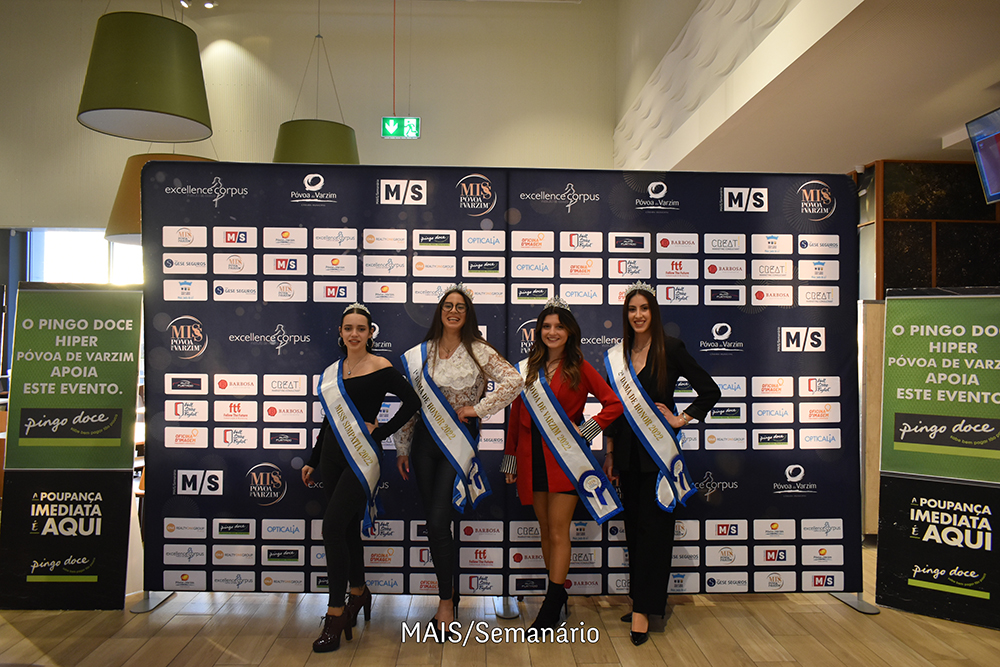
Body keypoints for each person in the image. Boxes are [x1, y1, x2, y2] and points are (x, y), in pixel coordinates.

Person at [396, 284, 523, 639]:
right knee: (438, 523)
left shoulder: (479, 350)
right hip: (424, 444)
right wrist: (402, 447)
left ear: (468, 315)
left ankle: (445, 605)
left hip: (458, 444)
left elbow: (514, 381)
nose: (453, 311)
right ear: (440, 312)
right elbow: (411, 405)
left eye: (460, 307)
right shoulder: (422, 353)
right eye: (448, 306)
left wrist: (477, 409)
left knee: (439, 522)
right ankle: (449, 592)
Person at [603, 282, 721, 646]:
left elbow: (710, 391)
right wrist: (609, 453)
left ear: (653, 313)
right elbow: (613, 410)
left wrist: (680, 419)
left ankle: (644, 611)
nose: (638, 315)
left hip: (658, 457)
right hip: (626, 455)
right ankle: (643, 601)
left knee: (655, 534)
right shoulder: (618, 356)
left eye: (644, 308)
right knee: (634, 532)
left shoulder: (671, 348)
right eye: (632, 309)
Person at [301, 303, 420, 653]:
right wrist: (313, 460)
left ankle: (335, 613)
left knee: (332, 528)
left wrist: (380, 433)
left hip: (362, 458)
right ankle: (358, 592)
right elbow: (329, 421)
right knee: (347, 528)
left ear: (370, 333)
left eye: (361, 328)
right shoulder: (333, 372)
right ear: (341, 332)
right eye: (348, 328)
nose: (354, 334)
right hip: (332, 458)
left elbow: (412, 403)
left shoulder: (381, 367)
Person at [503, 297, 623, 629]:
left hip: (565, 460)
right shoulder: (527, 368)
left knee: (558, 531)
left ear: (569, 332)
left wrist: (587, 430)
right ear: (539, 331)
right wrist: (511, 460)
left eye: (559, 326)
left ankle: (552, 601)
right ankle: (558, 595)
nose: (552, 332)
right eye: (546, 326)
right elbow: (516, 416)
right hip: (532, 458)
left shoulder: (579, 367)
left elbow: (613, 404)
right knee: (545, 530)